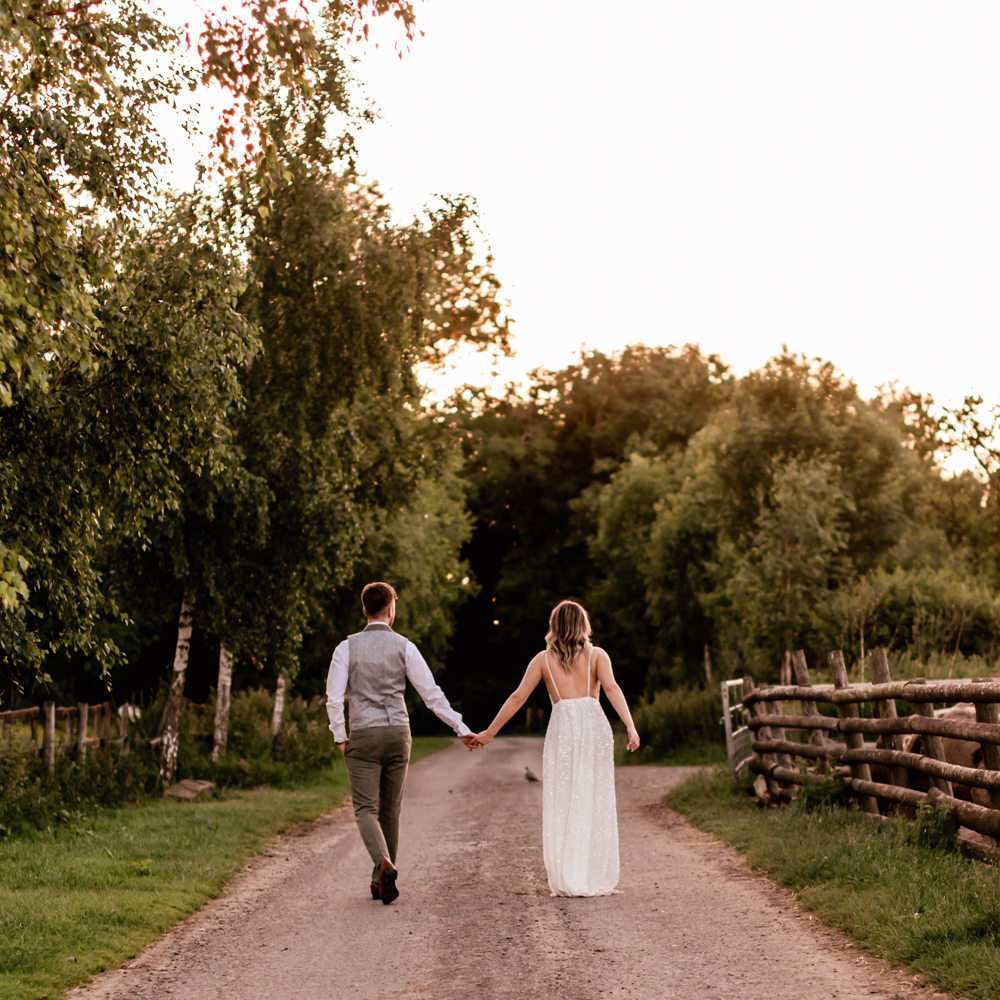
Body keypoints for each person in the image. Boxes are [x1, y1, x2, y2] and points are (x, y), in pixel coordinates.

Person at [471, 600, 640, 897]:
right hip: (593, 727)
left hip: (563, 729)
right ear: (583, 625)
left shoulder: (542, 660)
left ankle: (569, 874)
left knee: (565, 798)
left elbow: (517, 697)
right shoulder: (597, 656)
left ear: (555, 626)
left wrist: (489, 732)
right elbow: (612, 689)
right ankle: (590, 874)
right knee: (591, 796)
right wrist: (630, 724)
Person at [326, 581, 476, 904]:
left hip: (363, 735)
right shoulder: (405, 647)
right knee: (390, 810)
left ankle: (383, 867)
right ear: (391, 611)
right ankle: (381, 879)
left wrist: (340, 735)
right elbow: (431, 695)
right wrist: (460, 727)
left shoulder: (345, 648)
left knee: (366, 808)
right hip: (398, 733)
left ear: (364, 610)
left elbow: (333, 698)